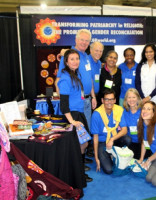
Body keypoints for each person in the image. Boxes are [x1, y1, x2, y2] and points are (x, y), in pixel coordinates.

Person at [57, 49, 92, 183]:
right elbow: (64, 104)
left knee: (83, 144)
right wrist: (72, 121)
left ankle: (80, 172)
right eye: (72, 59)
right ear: (66, 61)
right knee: (80, 145)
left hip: (79, 113)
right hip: (72, 115)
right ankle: (78, 175)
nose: (75, 61)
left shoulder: (75, 74)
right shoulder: (65, 78)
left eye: (77, 59)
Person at [55, 29, 97, 131]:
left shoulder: (86, 56)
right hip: (74, 105)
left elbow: (89, 78)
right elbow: (58, 80)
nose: (84, 42)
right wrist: (65, 101)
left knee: (86, 134)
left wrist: (93, 97)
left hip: (86, 101)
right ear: (76, 40)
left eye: (87, 40)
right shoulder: (68, 55)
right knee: (79, 135)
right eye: (82, 39)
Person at [91, 89, 131, 174]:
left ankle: (114, 154)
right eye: (107, 99)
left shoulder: (119, 110)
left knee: (127, 139)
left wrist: (112, 139)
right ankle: (110, 155)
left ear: (115, 100)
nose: (109, 102)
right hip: (102, 142)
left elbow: (124, 130)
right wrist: (96, 158)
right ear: (102, 100)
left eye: (112, 99)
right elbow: (95, 137)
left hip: (114, 139)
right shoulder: (96, 114)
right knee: (109, 170)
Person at [123, 88, 151, 159]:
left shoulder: (143, 111)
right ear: (126, 99)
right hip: (130, 142)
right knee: (131, 157)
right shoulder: (124, 112)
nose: (131, 100)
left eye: (134, 97)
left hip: (143, 142)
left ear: (138, 98)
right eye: (129, 97)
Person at [89, 41, 104, 107]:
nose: (98, 53)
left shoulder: (99, 63)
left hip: (97, 96)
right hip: (88, 97)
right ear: (90, 50)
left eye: (100, 51)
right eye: (96, 50)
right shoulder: (86, 61)